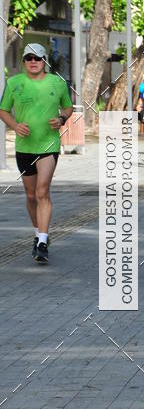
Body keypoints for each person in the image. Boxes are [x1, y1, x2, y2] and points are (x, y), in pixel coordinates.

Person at [0, 43, 73, 263]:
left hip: (49, 145)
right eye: (29, 58)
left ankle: (43, 241)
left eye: (38, 58)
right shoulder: (14, 83)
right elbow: (3, 110)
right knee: (31, 196)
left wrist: (62, 119)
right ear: (24, 61)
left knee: (42, 192)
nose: (33, 62)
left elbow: (68, 107)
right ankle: (37, 233)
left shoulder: (57, 83)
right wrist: (15, 126)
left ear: (44, 61)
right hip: (24, 147)